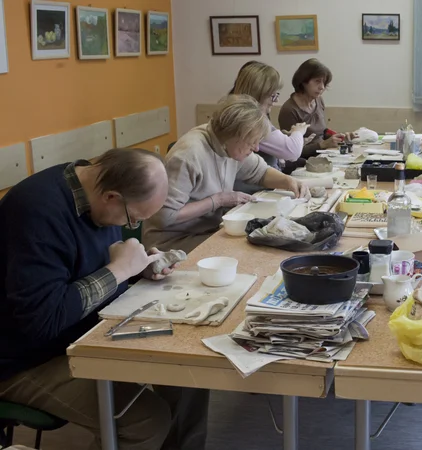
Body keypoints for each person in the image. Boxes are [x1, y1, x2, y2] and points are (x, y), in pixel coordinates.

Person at [0, 149, 208, 449]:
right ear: (111, 196)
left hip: (86, 332)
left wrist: (138, 269)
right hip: (27, 360)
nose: (133, 226)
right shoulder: (37, 212)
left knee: (191, 374)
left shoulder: (93, 188)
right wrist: (118, 270)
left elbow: (86, 266)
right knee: (146, 423)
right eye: (134, 218)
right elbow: (42, 320)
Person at [143, 95, 308, 254]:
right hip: (171, 242)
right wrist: (218, 200)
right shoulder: (188, 155)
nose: (257, 148)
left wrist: (288, 181)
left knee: (265, 238)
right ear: (235, 135)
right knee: (251, 249)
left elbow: (260, 173)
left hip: (208, 231)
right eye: (252, 142)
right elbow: (165, 216)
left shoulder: (229, 145)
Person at [229, 61, 310, 169]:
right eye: (273, 95)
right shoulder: (249, 120)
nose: (276, 100)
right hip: (260, 184)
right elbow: (292, 152)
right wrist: (298, 131)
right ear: (258, 94)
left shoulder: (244, 114)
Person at [278, 58, 356, 158]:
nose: (322, 87)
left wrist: (340, 137)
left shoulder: (318, 100)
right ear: (303, 81)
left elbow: (322, 132)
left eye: (324, 82)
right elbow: (290, 150)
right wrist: (322, 145)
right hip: (304, 163)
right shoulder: (289, 110)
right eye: (317, 81)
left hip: (323, 155)